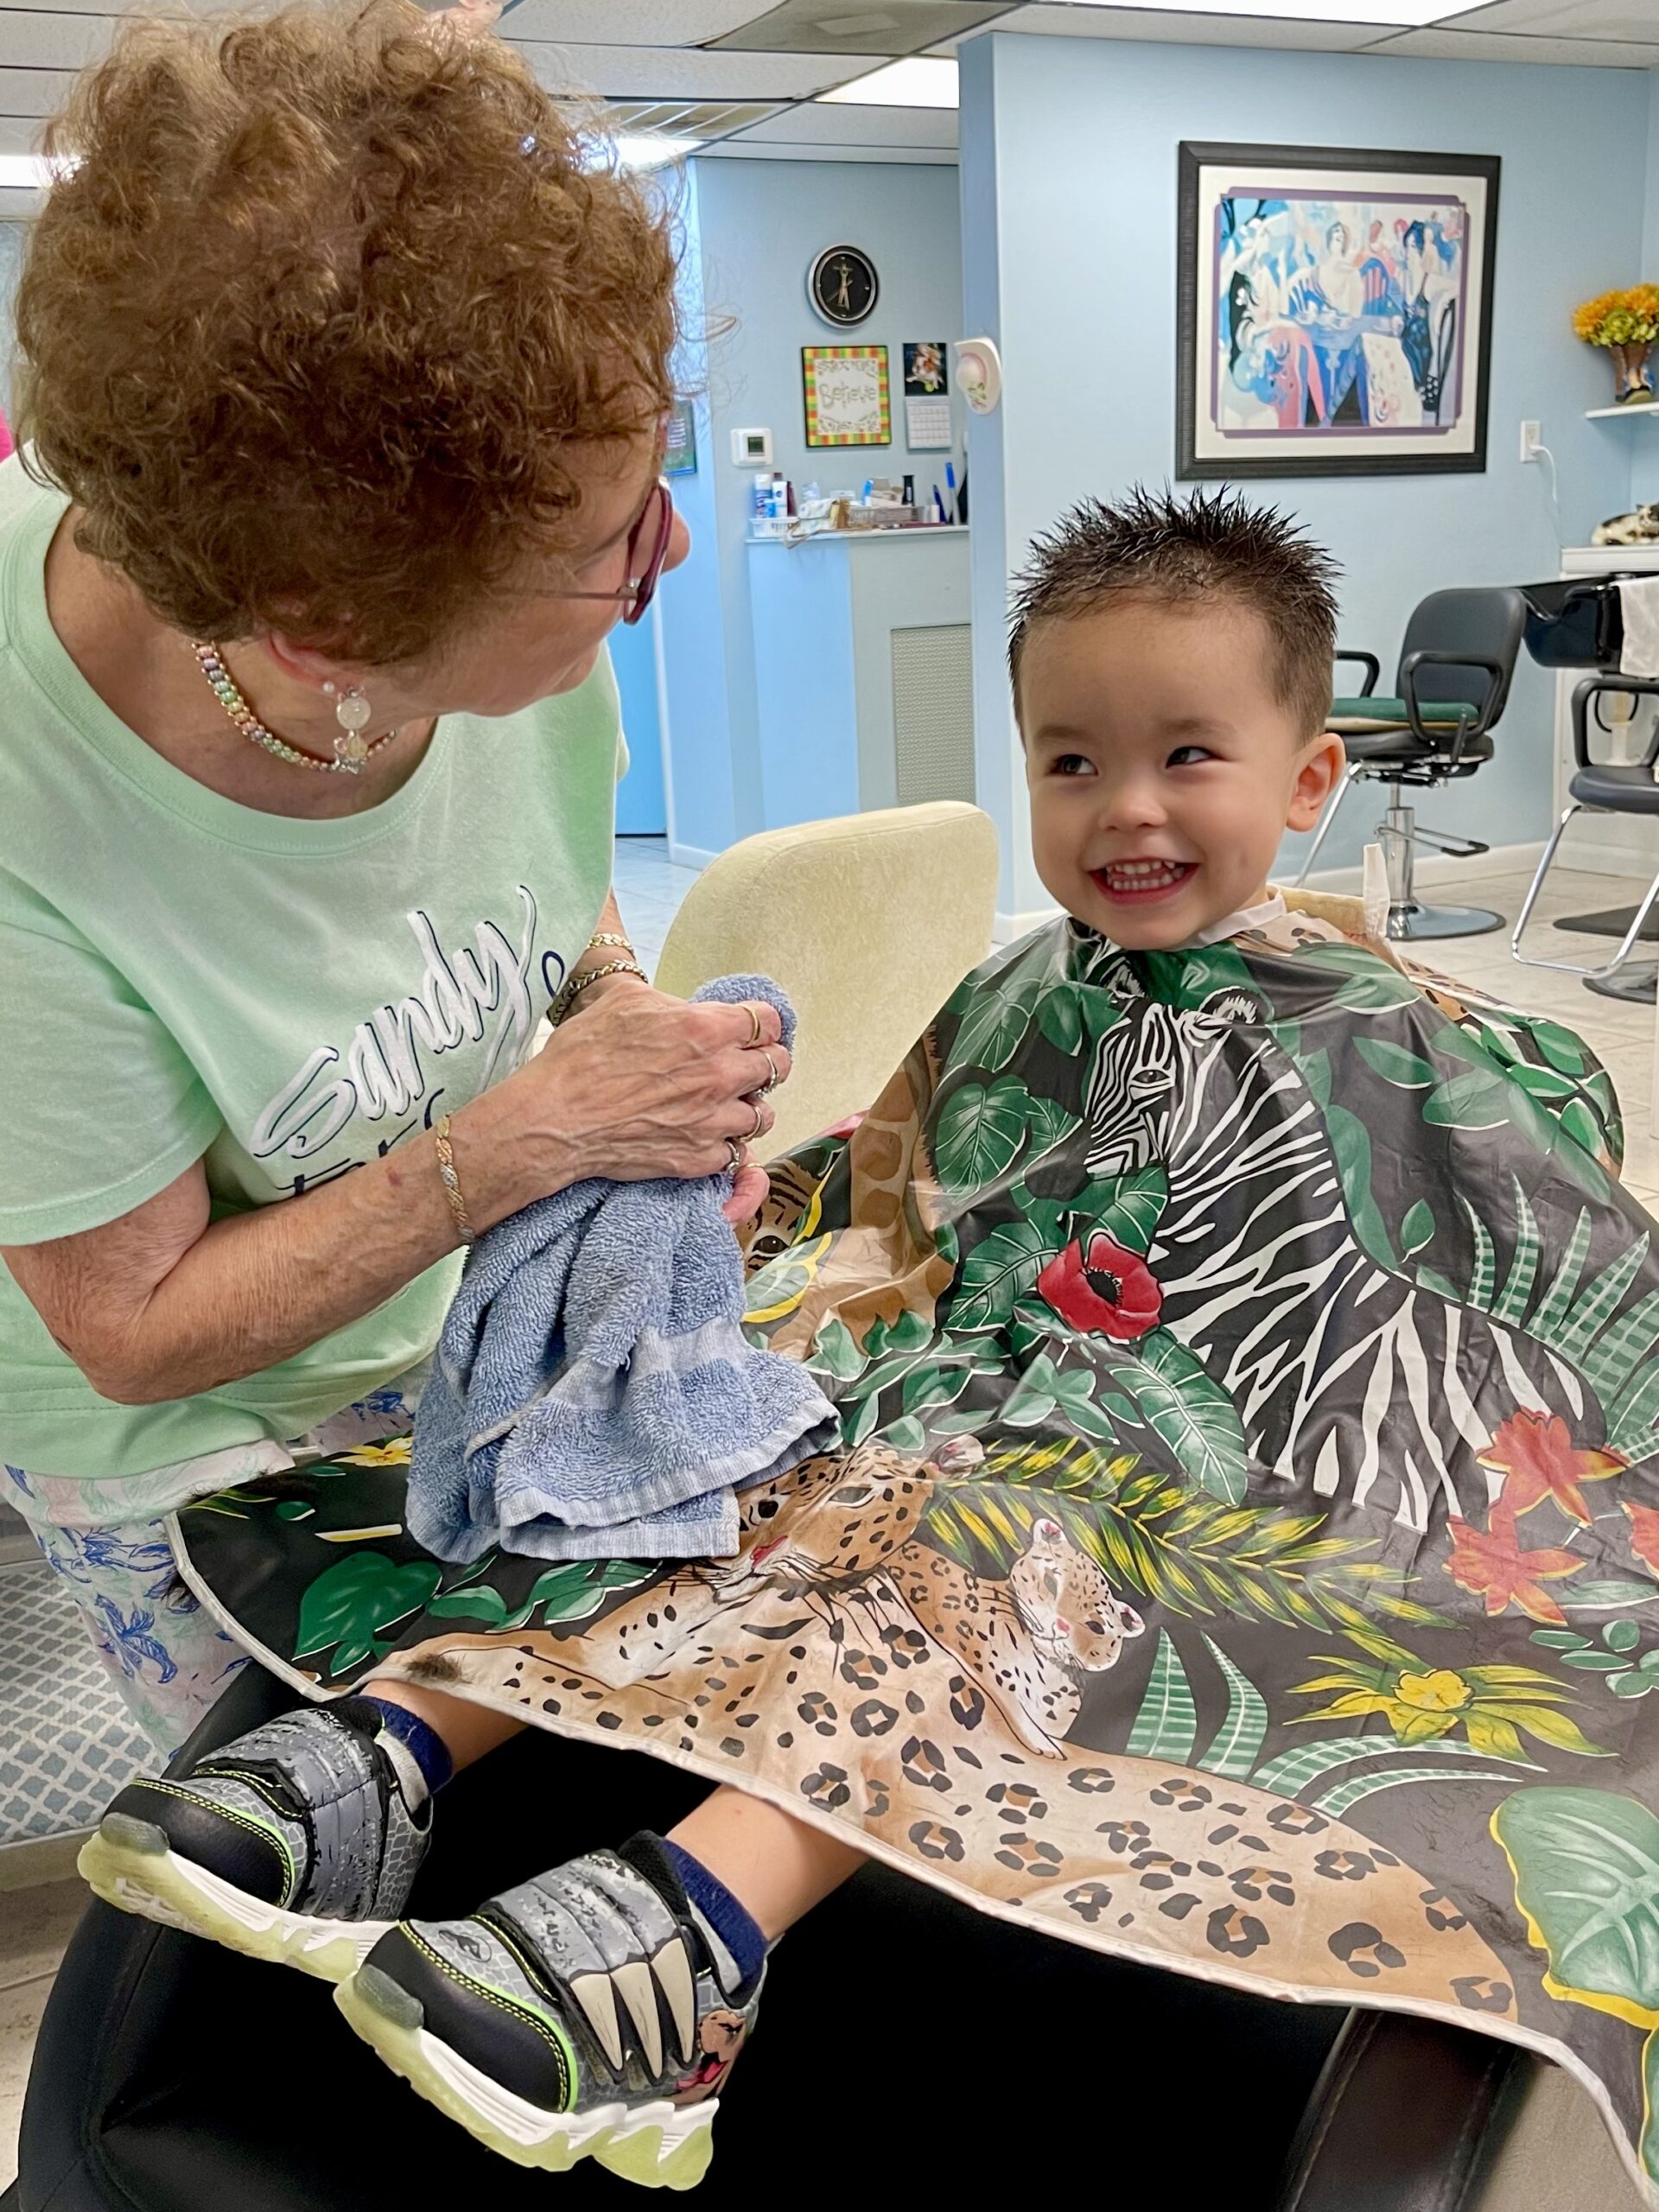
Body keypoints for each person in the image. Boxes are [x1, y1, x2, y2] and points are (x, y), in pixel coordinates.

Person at [86, 487, 1356, 2183]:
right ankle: (396, 1748)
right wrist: (742, 1247)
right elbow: (898, 1196)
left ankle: (692, 1940)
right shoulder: (1011, 993)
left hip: (1165, 1466)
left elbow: (1424, 1305)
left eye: (1190, 754)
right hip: (948, 1378)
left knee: (958, 1553)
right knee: (689, 1443)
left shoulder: (1375, 1034)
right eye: (1069, 762)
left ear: (1311, 775)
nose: (1125, 807)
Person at [0, 6, 796, 1751]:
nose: (667, 549)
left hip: (437, 1302)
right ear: (335, 634)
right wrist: (528, 1138)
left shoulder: (494, 588)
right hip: (186, 1448)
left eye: (648, 485)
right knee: (335, 1834)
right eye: (613, 554)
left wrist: (617, 1023)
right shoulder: (28, 817)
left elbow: (533, 895)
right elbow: (133, 1329)